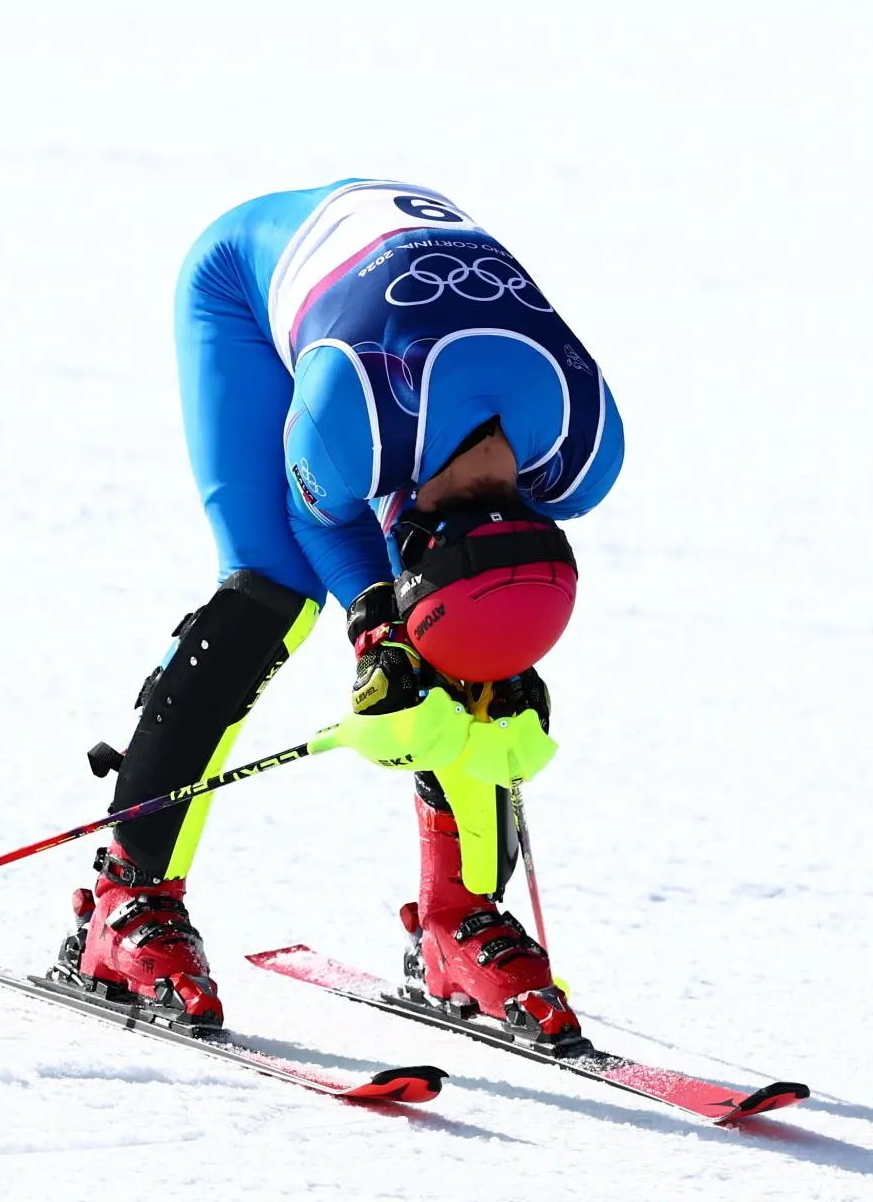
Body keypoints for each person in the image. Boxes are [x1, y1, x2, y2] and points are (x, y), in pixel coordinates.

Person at [63, 179, 623, 1043]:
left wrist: (491, 666)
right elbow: (317, 513)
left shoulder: (584, 452)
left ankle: (460, 915)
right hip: (249, 290)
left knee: (468, 643)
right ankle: (126, 901)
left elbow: (491, 578)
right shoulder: (348, 419)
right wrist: (376, 625)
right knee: (273, 590)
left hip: (403, 325)